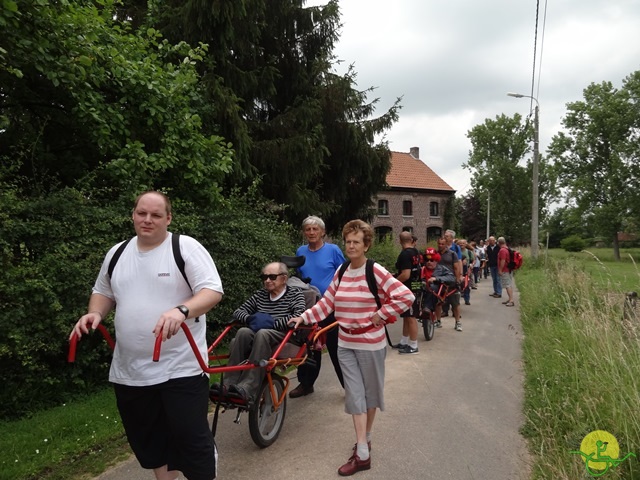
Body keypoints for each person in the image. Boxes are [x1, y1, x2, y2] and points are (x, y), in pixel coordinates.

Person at [70, 191, 223, 480]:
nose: (147, 220)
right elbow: (103, 292)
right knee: (151, 443)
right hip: (131, 371)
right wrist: (96, 314)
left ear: (168, 218)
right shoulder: (116, 253)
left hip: (181, 368)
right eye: (142, 213)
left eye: (155, 215)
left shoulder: (184, 247)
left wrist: (181, 310)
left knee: (191, 442)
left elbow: (212, 291)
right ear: (133, 214)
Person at [289, 220, 414, 476]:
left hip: (370, 343)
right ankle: (362, 451)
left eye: (357, 241)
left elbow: (405, 296)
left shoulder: (375, 270)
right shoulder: (343, 269)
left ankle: (365, 438)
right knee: (355, 395)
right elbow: (327, 303)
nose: (352, 246)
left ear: (366, 244)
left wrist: (382, 313)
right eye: (348, 241)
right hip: (345, 341)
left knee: (369, 396)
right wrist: (305, 317)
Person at [213, 262, 306, 402]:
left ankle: (249, 386)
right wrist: (251, 319)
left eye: (272, 277)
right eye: (264, 277)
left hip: (284, 335)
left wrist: (270, 323)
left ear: (284, 278)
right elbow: (238, 312)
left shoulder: (295, 295)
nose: (267, 280)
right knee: (243, 332)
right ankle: (228, 384)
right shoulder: (260, 295)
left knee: (263, 332)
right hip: (259, 332)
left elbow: (298, 317)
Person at [290, 215, 346, 398]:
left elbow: (344, 273)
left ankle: (349, 387)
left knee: (335, 346)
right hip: (309, 305)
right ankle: (306, 384)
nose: (312, 232)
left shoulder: (333, 250)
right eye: (308, 229)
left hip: (330, 306)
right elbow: (298, 278)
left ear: (323, 232)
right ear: (304, 232)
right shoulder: (300, 251)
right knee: (308, 345)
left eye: (315, 229)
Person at [391, 231, 422, 354]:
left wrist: (393, 283)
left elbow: (405, 274)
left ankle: (413, 345)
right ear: (411, 240)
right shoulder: (416, 252)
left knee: (411, 317)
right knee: (406, 316)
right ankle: (404, 342)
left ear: (400, 241)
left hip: (408, 289)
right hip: (416, 285)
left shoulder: (404, 254)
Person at [435, 236, 463, 331]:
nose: (441, 245)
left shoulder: (452, 254)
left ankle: (458, 322)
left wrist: (458, 279)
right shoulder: (435, 254)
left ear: (447, 244)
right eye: (439, 244)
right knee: (438, 302)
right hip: (438, 281)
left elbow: (456, 267)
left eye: (443, 244)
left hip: (450, 281)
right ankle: (438, 321)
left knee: (455, 303)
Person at [419, 247, 456, 313]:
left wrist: (436, 279)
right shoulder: (421, 269)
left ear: (436, 260)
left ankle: (427, 307)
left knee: (433, 287)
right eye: (427, 260)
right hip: (423, 289)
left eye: (431, 260)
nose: (429, 262)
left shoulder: (442, 269)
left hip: (436, 291)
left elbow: (452, 278)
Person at [441, 229, 462, 317]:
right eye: (445, 236)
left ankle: (455, 311)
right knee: (443, 292)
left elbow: (459, 261)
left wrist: (460, 274)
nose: (445, 237)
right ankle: (445, 310)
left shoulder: (456, 247)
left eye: (447, 236)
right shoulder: (442, 246)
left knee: (454, 292)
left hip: (453, 272)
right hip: (443, 273)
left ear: (451, 238)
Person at [497, 237, 515, 307]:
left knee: (507, 285)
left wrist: (500, 270)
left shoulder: (502, 250)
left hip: (505, 270)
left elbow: (503, 260)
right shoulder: (507, 248)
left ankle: (511, 300)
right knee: (509, 284)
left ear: (499, 243)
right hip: (508, 269)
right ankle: (510, 298)